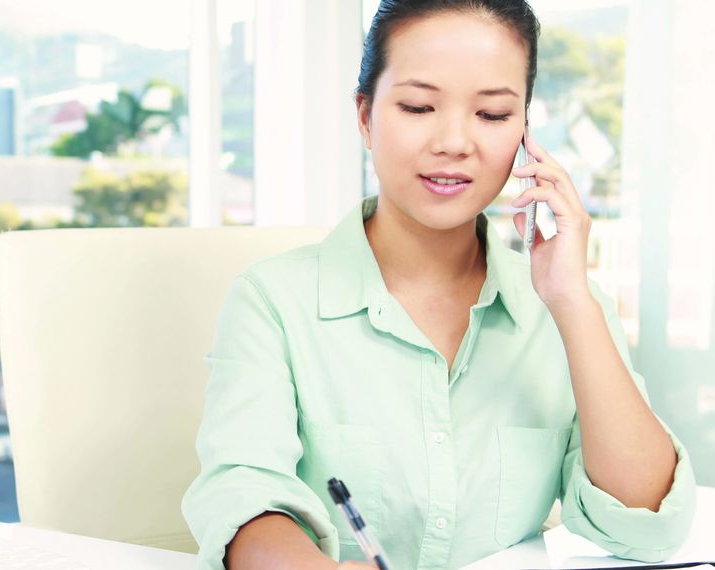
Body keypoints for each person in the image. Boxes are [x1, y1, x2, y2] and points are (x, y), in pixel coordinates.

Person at [181, 1, 697, 569]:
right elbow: (244, 496)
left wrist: (571, 301)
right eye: (419, 106)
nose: (454, 142)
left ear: (525, 132)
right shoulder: (273, 302)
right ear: (365, 117)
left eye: (494, 115)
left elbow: (647, 525)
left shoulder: (569, 306)